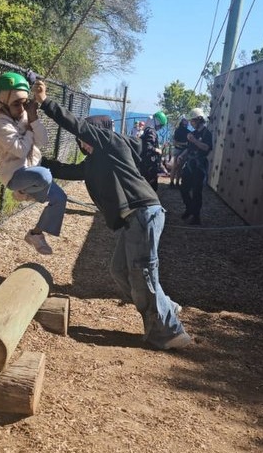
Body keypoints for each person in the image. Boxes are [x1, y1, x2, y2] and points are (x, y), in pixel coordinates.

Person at [33, 80, 192, 351]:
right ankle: (165, 306)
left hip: (143, 212)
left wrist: (45, 102)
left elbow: (76, 125)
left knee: (143, 273)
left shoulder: (111, 143)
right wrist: (36, 162)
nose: (82, 143)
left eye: (85, 138)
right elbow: (67, 171)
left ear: (97, 135)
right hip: (134, 220)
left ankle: (170, 331)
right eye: (82, 141)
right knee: (120, 271)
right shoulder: (94, 162)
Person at [0, 71, 67, 256]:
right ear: (4, 102)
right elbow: (21, 150)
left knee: (60, 199)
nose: (21, 108)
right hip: (15, 176)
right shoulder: (0, 123)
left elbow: (43, 141)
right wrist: (30, 126)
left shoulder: (26, 114)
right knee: (45, 175)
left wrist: (34, 119)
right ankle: (23, 192)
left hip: (33, 172)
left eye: (24, 103)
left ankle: (36, 234)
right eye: (16, 104)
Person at [177, 108, 213, 225]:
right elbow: (188, 148)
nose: (191, 123)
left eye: (192, 121)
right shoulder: (192, 133)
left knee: (197, 192)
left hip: (200, 165)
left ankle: (196, 216)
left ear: (199, 120)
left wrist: (194, 140)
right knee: (184, 188)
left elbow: (206, 148)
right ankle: (189, 209)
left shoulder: (207, 133)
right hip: (190, 164)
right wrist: (181, 155)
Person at [139, 111, 168, 193]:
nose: (160, 128)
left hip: (145, 162)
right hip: (150, 164)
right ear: (157, 122)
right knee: (151, 187)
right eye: (160, 125)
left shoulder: (146, 130)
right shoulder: (151, 132)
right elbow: (148, 146)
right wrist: (157, 150)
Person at [169, 118, 190, 188]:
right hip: (182, 150)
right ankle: (175, 183)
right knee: (178, 167)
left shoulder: (178, 130)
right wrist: (184, 144)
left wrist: (181, 144)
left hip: (179, 150)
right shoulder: (187, 132)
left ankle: (173, 183)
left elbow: (175, 142)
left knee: (176, 167)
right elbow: (175, 142)